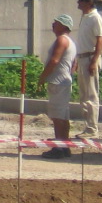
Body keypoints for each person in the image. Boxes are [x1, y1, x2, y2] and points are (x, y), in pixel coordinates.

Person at [38, 14, 78, 159]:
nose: (53, 24)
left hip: (58, 82)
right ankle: (65, 146)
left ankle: (59, 148)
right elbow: (74, 64)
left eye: (57, 23)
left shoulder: (61, 40)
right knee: (62, 115)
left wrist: (42, 78)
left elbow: (54, 61)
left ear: (64, 26)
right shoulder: (71, 42)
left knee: (57, 117)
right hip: (65, 82)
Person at [74, 0, 102, 139]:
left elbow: (100, 40)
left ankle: (93, 128)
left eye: (81, 0)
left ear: (88, 3)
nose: (78, 3)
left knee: (91, 95)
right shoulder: (85, 17)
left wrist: (94, 61)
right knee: (83, 95)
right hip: (82, 58)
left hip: (90, 58)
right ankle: (88, 126)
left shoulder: (95, 18)